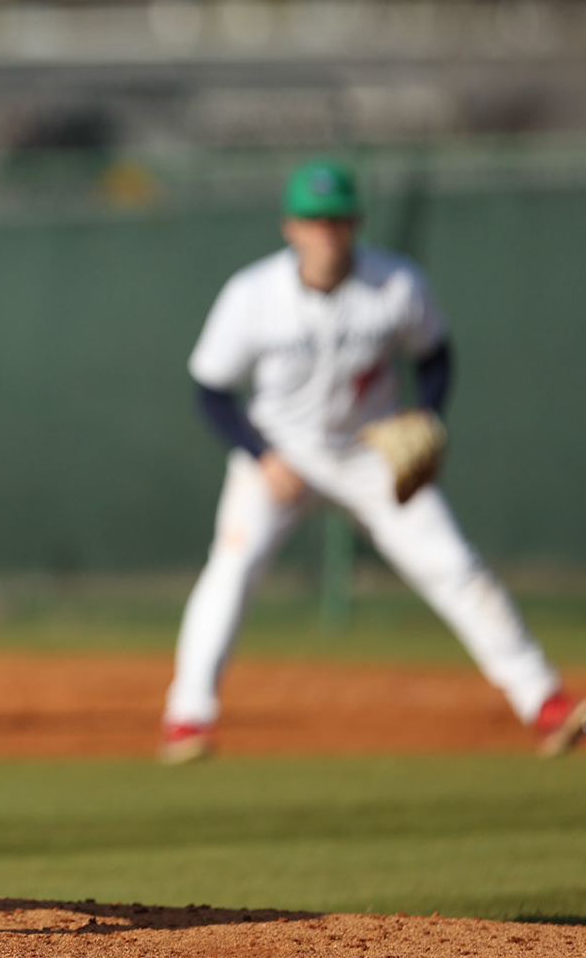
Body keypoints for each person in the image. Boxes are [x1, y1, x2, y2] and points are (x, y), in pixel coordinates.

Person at [160, 158, 584, 764]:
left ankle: (544, 702)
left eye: (337, 219)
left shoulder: (396, 284)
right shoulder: (252, 295)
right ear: (290, 227)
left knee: (454, 567)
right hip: (281, 451)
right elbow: (210, 389)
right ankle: (187, 719)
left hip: (370, 455)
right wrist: (260, 455)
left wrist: (425, 417)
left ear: (356, 222)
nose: (326, 232)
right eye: (313, 220)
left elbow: (434, 355)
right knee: (231, 570)